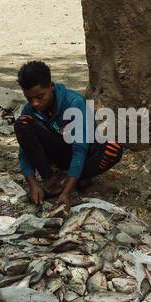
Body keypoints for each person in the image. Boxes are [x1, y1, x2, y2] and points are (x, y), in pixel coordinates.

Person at [14, 60, 123, 209]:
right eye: (29, 99)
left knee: (113, 148)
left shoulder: (74, 102)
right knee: (22, 123)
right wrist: (32, 184)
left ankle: (74, 179)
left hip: (84, 152)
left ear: (51, 87)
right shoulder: (30, 110)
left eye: (40, 97)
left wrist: (66, 194)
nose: (35, 103)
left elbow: (80, 149)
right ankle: (51, 182)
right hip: (60, 154)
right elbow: (24, 151)